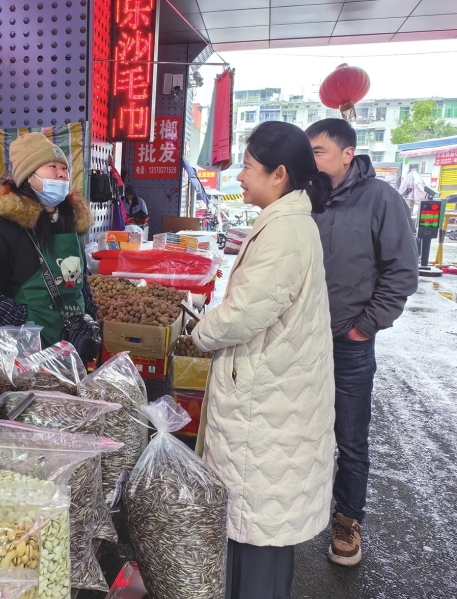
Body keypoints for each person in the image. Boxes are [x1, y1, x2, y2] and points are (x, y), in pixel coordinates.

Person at [191, 121, 336, 599]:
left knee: (258, 530)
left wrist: (200, 331)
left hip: (268, 409)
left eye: (248, 167)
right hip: (272, 399)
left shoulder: (286, 231)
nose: (239, 176)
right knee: (253, 528)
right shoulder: (285, 221)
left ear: (279, 174)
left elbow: (242, 315)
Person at [306, 119, 419, 567]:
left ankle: (347, 519)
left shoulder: (381, 199)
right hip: (302, 340)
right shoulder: (305, 197)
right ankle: (299, 508)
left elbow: (401, 272)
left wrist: (364, 327)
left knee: (350, 438)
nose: (311, 159)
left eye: (318, 151)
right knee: (299, 427)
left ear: (347, 154)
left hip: (348, 342)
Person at [0, 132, 97, 347]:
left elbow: (82, 282)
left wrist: (89, 319)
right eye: (52, 166)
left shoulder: (71, 223)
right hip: (25, 352)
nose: (62, 174)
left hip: (74, 346)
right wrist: (24, 323)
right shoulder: (1, 230)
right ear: (28, 177)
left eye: (64, 168)